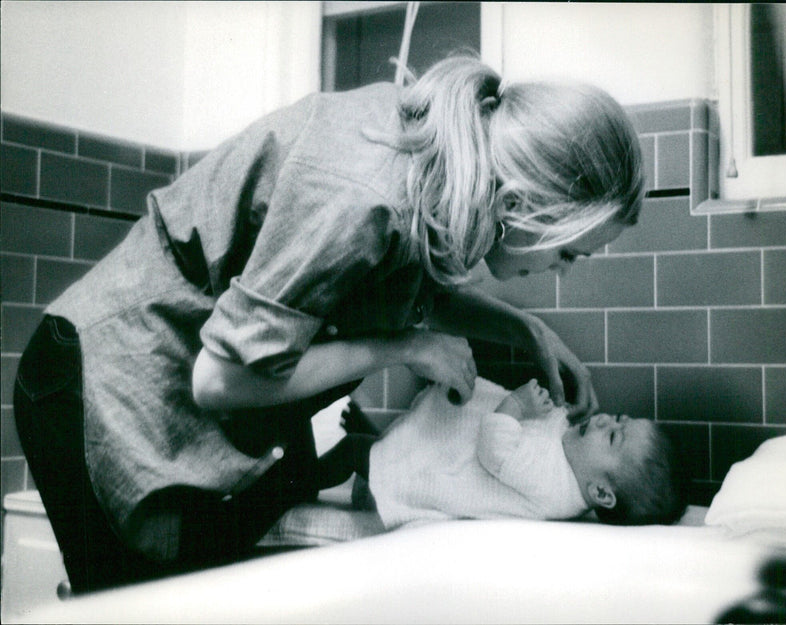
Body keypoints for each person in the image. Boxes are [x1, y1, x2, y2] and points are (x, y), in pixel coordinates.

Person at [14, 54, 645, 592]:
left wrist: (527, 332)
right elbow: (220, 378)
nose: (562, 271)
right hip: (101, 383)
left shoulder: (436, 164)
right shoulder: (363, 190)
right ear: (515, 207)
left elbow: (391, 289)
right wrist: (407, 349)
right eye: (568, 253)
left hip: (170, 396)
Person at [318, 377, 689, 528]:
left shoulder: (553, 486)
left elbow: (496, 450)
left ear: (601, 493)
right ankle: (374, 453)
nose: (607, 420)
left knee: (356, 451)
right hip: (442, 448)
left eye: (613, 438)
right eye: (619, 419)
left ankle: (296, 481)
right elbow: (547, 436)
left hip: (443, 469)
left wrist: (517, 403)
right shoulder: (570, 467)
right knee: (400, 443)